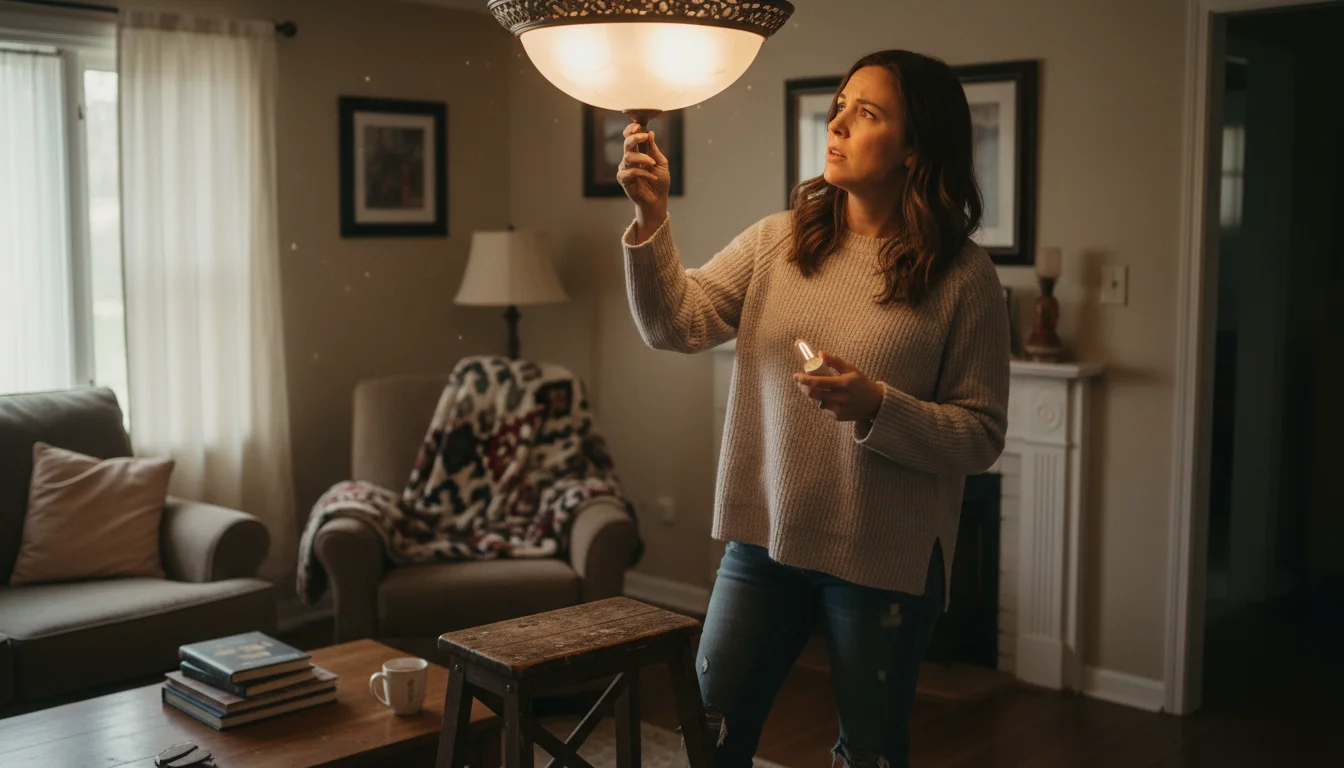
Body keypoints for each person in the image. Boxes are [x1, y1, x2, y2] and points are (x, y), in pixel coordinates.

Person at [617, 49, 1010, 768]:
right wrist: (652, 220)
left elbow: (981, 436)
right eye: (840, 104)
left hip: (883, 559)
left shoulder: (963, 277)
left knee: (871, 754)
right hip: (763, 543)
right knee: (709, 739)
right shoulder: (778, 241)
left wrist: (877, 406)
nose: (838, 122)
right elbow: (674, 324)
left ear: (915, 146)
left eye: (868, 113)